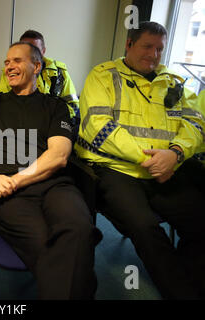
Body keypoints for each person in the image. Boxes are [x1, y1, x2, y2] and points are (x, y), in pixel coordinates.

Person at [0, 41, 100, 299]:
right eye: (7, 62)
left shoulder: (55, 106)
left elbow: (59, 155)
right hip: (7, 195)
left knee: (80, 229)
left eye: (17, 61)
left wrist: (15, 180)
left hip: (54, 185)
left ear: (37, 66)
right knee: (52, 249)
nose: (9, 66)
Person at [75, 21, 205, 299]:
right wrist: (150, 158)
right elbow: (98, 127)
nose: (154, 55)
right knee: (146, 228)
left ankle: (189, 278)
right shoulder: (103, 75)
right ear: (129, 45)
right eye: (147, 46)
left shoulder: (174, 81)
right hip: (117, 170)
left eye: (160, 49)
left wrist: (175, 154)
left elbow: (196, 124)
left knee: (200, 220)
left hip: (167, 169)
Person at [0, 30, 79, 121]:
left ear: (43, 51)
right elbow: (2, 106)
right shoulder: (10, 72)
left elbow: (72, 106)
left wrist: (53, 120)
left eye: (35, 50)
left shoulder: (60, 72)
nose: (31, 55)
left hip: (54, 126)